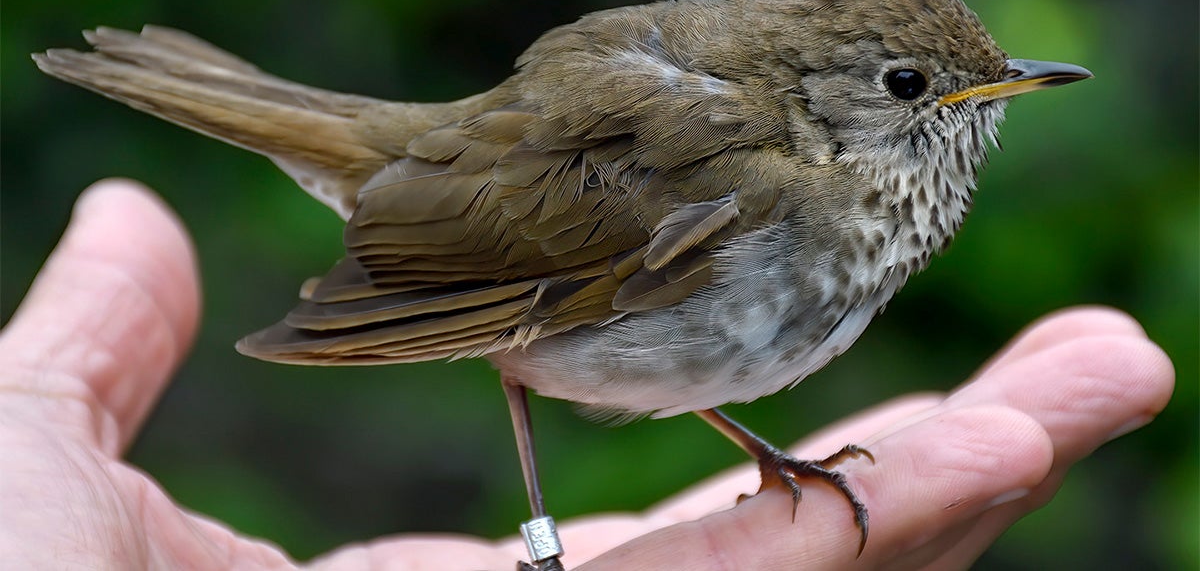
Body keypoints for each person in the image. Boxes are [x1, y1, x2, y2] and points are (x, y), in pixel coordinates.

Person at [0, 179, 1174, 570]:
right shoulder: (758, 185)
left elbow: (687, 347)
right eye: (910, 89)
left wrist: (767, 455)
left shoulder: (827, 206)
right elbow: (523, 342)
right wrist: (546, 547)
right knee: (530, 362)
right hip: (481, 254)